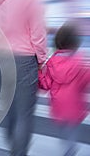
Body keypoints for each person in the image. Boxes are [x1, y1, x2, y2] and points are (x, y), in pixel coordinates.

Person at [0, 0, 47, 155]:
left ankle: (13, 148)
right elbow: (38, 31)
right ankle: (18, 152)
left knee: (8, 109)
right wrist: (42, 59)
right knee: (23, 114)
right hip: (22, 58)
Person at [38, 22, 90, 155]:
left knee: (63, 131)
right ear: (75, 43)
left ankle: (67, 148)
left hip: (58, 109)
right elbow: (85, 81)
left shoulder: (51, 63)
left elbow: (45, 85)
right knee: (72, 132)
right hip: (75, 108)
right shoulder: (79, 62)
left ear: (58, 42)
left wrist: (39, 72)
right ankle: (70, 150)